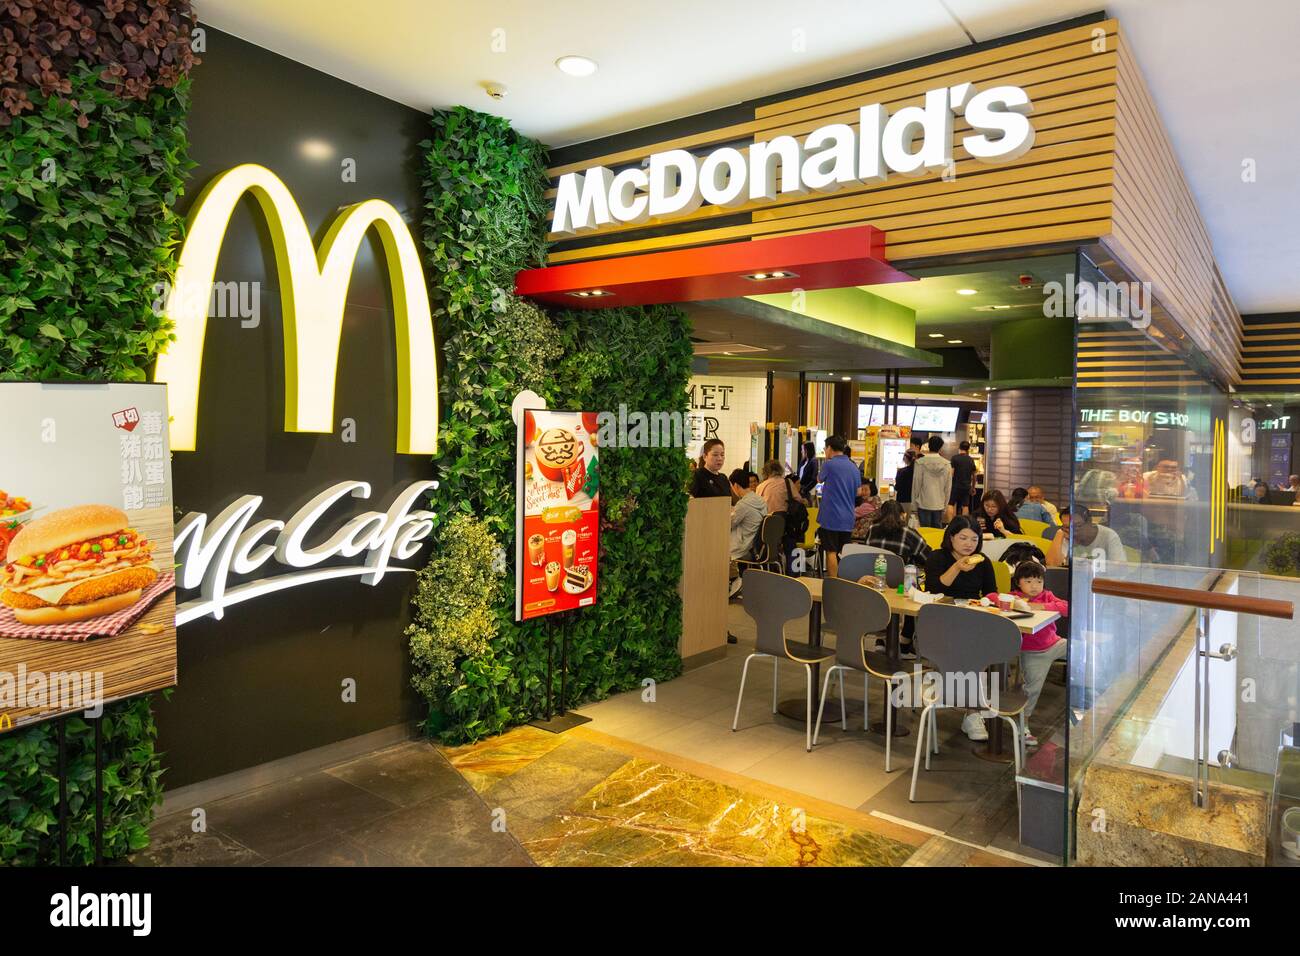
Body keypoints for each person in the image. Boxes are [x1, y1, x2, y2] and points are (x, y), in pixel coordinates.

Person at [924, 516, 999, 740]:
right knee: (970, 651)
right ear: (951, 537)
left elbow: (990, 594)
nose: (968, 544)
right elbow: (934, 588)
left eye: (974, 539)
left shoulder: (982, 561)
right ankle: (973, 711)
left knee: (980, 648)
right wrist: (957, 566)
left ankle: (973, 710)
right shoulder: (938, 557)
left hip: (973, 615)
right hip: (941, 616)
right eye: (963, 538)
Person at [987, 560, 1068, 748]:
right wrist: (1009, 602)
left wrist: (1043, 607)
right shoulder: (1015, 597)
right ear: (1018, 583)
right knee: (1033, 689)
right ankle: (1023, 722)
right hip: (1033, 652)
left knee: (1085, 651)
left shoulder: (1047, 596)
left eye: (1038, 581)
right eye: (1029, 581)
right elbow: (991, 596)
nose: (1034, 586)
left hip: (1055, 643)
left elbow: (1066, 607)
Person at [815, 435, 860, 579]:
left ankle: (833, 584)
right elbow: (858, 491)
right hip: (848, 517)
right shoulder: (853, 467)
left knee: (831, 551)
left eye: (825, 448)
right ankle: (844, 583)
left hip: (831, 517)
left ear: (829, 448)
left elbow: (819, 479)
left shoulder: (829, 464)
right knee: (843, 553)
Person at [728, 467, 768, 597]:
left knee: (718, 546)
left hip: (745, 547)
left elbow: (729, 524)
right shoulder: (760, 500)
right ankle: (737, 580)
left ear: (735, 485)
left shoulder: (743, 504)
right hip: (757, 546)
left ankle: (734, 580)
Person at [1050, 506, 1125, 567]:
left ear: (1090, 523)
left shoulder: (1108, 535)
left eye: (1077, 526)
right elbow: (1052, 564)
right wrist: (1059, 534)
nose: (1072, 531)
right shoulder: (1066, 534)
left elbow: (1119, 568)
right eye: (1067, 527)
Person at [911, 435, 951, 528]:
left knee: (924, 533)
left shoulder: (920, 462)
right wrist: (945, 505)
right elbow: (948, 487)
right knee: (936, 534)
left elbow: (916, 484)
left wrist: (914, 506)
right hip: (939, 504)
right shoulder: (946, 464)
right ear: (940, 447)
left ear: (929, 446)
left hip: (923, 504)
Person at [949, 440, 977, 515]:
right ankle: (965, 523)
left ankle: (950, 522)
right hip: (966, 486)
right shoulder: (971, 460)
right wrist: (973, 487)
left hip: (955, 486)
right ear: (968, 449)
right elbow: (974, 476)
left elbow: (951, 473)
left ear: (959, 448)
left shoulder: (954, 458)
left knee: (951, 504)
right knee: (965, 505)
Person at [894, 448, 917, 514]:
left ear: (905, 458)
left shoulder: (901, 471)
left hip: (902, 500)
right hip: (914, 501)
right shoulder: (917, 471)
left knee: (902, 521)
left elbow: (897, 487)